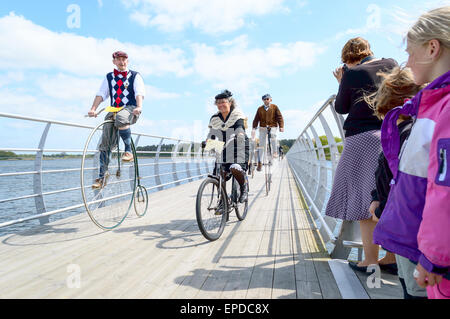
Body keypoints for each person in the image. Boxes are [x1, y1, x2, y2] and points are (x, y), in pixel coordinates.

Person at [372, 6, 450, 299]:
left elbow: (445, 188)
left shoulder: (444, 108)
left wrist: (433, 257)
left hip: (439, 266)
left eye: (410, 51)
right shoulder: (435, 105)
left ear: (432, 48)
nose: (406, 61)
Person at [325, 37, 398, 271]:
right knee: (387, 195)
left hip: (362, 139)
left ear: (349, 58)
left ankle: (369, 260)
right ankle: (393, 257)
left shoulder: (352, 74)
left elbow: (341, 107)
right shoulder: (391, 64)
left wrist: (342, 80)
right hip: (393, 134)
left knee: (363, 200)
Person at [365, 66, 426, 298]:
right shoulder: (415, 130)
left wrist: (379, 204)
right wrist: (376, 196)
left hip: (409, 231)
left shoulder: (404, 134)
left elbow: (394, 178)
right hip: (411, 225)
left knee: (414, 289)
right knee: (408, 281)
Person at [88, 51, 145, 189]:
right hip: (114, 109)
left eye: (124, 59)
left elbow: (139, 93)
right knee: (105, 143)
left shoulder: (135, 76)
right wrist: (93, 108)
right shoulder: (109, 77)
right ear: (114, 61)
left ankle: (128, 151)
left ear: (128, 61)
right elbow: (101, 94)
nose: (122, 62)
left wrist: (139, 106)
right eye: (118, 59)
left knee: (121, 117)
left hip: (130, 108)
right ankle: (102, 176)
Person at [206, 90, 249, 203]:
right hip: (223, 147)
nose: (220, 105)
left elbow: (240, 126)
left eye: (223, 102)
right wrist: (208, 142)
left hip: (238, 145)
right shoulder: (215, 118)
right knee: (218, 175)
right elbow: (212, 134)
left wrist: (239, 134)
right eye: (218, 103)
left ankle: (244, 187)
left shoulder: (237, 114)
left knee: (235, 167)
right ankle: (223, 200)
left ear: (230, 102)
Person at [251, 94, 284, 171]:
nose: (266, 100)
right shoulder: (260, 109)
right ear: (263, 100)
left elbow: (279, 117)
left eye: (267, 99)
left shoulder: (275, 107)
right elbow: (256, 119)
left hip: (272, 126)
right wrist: (253, 128)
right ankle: (260, 162)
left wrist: (281, 126)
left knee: (273, 136)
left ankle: (275, 152)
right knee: (261, 144)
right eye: (264, 99)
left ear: (270, 100)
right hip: (262, 127)